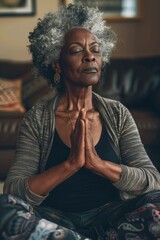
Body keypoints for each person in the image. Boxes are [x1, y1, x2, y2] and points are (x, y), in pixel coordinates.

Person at [1, 3, 160, 240]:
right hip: (54, 218)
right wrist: (70, 164)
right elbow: (14, 190)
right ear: (57, 65)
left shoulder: (117, 114)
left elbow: (152, 180)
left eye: (95, 50)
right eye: (77, 51)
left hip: (113, 216)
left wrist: (97, 164)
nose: (89, 57)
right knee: (4, 208)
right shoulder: (38, 118)